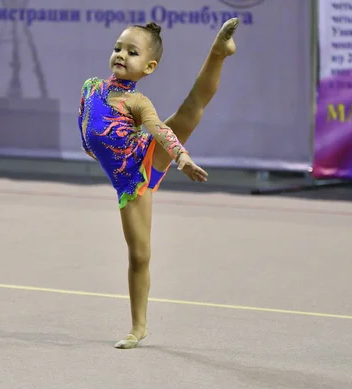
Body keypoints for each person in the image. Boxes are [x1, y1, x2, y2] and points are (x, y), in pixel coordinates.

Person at [78, 18, 239, 349]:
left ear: (149, 67)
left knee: (191, 110)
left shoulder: (138, 102)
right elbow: (85, 125)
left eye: (132, 52)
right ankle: (139, 325)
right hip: (125, 175)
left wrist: (181, 158)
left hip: (139, 172)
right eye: (118, 48)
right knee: (136, 255)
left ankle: (138, 328)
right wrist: (92, 149)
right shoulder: (91, 87)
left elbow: (161, 131)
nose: (121, 55)